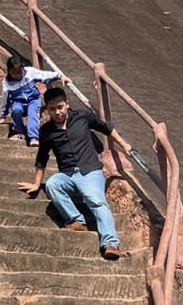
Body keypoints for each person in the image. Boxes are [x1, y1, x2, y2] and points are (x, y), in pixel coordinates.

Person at [17, 86, 129, 259]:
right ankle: (76, 220)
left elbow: (105, 127)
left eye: (60, 107)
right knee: (53, 183)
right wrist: (36, 183)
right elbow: (42, 158)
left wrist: (125, 145)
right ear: (47, 109)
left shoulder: (82, 118)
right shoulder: (46, 131)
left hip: (90, 171)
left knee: (97, 202)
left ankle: (111, 243)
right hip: (68, 175)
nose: (57, 112)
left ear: (67, 104)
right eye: (52, 109)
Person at [0, 55, 62, 146]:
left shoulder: (29, 72)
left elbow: (44, 75)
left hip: (33, 100)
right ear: (9, 71)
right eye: (13, 72)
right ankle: (19, 130)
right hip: (18, 102)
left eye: (19, 71)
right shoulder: (7, 83)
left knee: (32, 114)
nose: (17, 74)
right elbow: (5, 100)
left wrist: (60, 76)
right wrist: (3, 115)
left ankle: (33, 137)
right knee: (16, 110)